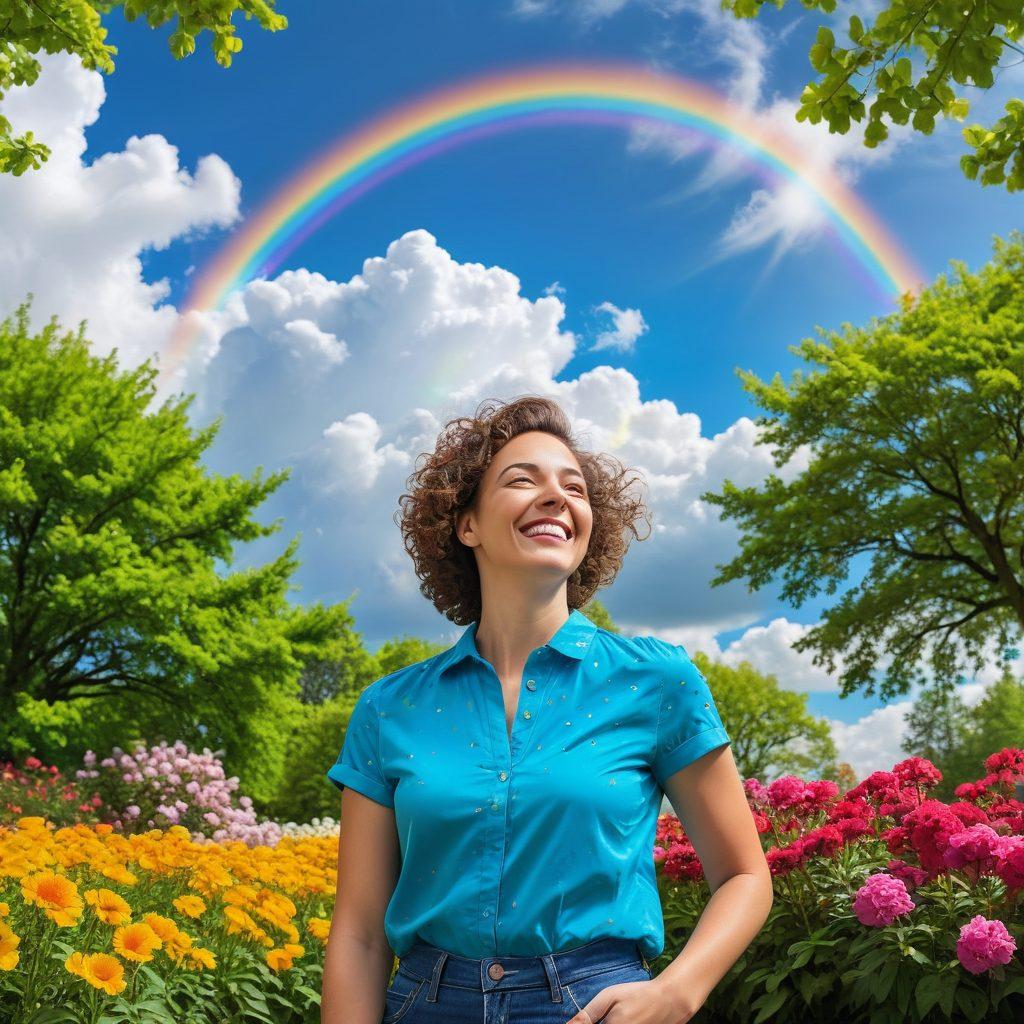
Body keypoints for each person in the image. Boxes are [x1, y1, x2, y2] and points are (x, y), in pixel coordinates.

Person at [321, 395, 772, 1024]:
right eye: (521, 480)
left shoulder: (656, 680)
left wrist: (676, 992)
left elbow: (745, 876)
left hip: (595, 1006)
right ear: (467, 524)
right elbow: (360, 933)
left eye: (574, 488)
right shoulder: (389, 708)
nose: (556, 496)